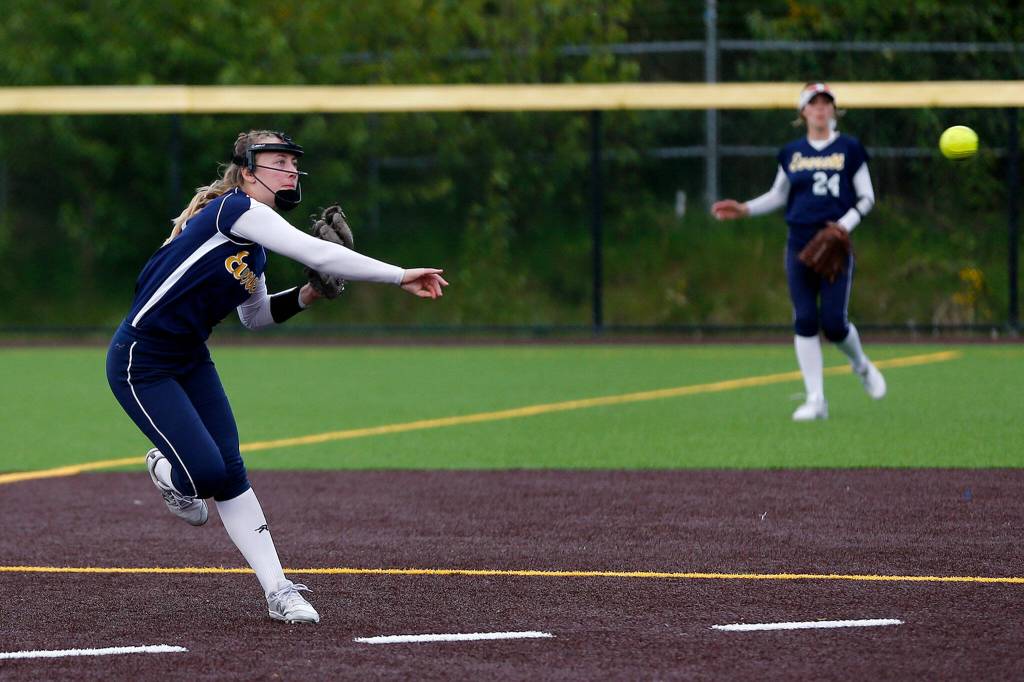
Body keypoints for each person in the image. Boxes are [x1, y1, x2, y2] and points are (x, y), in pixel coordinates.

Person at [105, 130, 448, 623]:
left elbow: (256, 316)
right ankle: (167, 469)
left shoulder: (255, 246)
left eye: (292, 162)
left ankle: (279, 590)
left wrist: (309, 296)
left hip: (189, 357)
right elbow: (319, 253)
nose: (290, 169)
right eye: (278, 161)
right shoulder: (234, 211)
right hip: (141, 359)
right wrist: (399, 275)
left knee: (230, 470)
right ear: (247, 171)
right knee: (203, 474)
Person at [711, 83, 886, 421]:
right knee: (805, 319)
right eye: (814, 103)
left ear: (834, 110)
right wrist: (745, 209)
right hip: (799, 243)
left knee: (834, 324)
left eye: (826, 103)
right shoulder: (792, 151)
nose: (821, 109)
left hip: (834, 242)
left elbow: (867, 197)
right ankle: (815, 399)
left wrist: (843, 227)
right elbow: (779, 195)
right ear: (803, 111)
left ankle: (861, 366)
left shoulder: (850, 148)